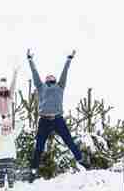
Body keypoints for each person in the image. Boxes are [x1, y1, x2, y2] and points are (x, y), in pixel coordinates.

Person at [26, 49, 89, 183]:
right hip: (44, 120)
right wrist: (30, 60)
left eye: (51, 76)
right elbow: (35, 73)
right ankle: (33, 170)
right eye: (47, 76)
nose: (49, 77)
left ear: (55, 79)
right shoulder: (41, 87)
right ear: (45, 80)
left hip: (58, 119)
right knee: (39, 146)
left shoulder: (60, 86)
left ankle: (81, 160)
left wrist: (69, 59)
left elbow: (65, 72)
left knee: (69, 141)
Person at [0, 117, 24, 190]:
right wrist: (0, 121)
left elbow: (19, 127)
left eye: (8, 128)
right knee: (1, 176)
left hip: (10, 159)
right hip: (1, 159)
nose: (6, 129)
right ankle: (1, 187)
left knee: (11, 175)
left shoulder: (12, 136)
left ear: (10, 129)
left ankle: (11, 188)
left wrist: (16, 120)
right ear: (1, 129)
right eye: (4, 128)